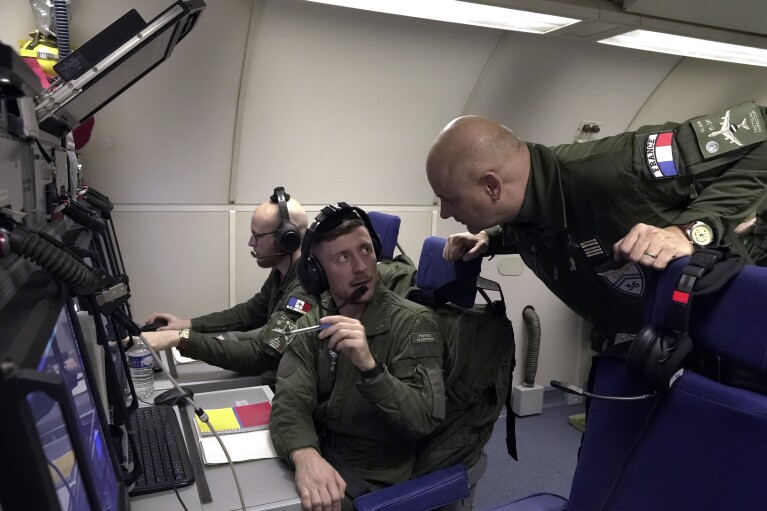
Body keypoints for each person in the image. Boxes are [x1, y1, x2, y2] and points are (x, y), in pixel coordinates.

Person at [426, 102, 767, 349]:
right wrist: (489, 237)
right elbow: (546, 229)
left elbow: (760, 131)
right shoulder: (523, 205)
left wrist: (690, 231)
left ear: (492, 187)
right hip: (637, 351)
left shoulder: (622, 169)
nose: (444, 213)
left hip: (721, 344)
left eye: (450, 199)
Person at [269, 203, 445, 511]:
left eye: (365, 250)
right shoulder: (315, 318)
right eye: (343, 257)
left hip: (373, 477)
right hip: (320, 452)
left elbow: (424, 419)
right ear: (317, 273)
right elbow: (289, 399)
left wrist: (371, 368)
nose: (361, 267)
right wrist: (303, 452)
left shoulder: (413, 323)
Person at [141, 187, 317, 385]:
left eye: (257, 236)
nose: (251, 242)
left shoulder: (304, 291)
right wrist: (187, 324)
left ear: (286, 239)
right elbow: (250, 313)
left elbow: (261, 355)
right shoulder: (283, 272)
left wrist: (180, 338)